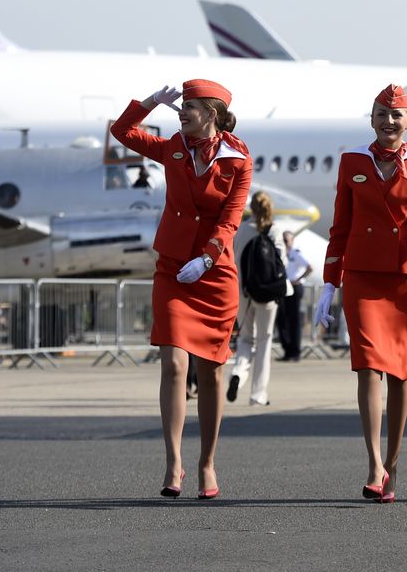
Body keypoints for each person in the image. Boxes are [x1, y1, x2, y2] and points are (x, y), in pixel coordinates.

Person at [110, 79, 251, 500]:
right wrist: (151, 101)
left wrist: (207, 257)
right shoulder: (171, 147)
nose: (181, 112)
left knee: (210, 373)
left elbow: (230, 219)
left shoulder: (238, 159)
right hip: (172, 269)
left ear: (211, 112)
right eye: (180, 105)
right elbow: (122, 132)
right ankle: (174, 461)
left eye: (189, 106)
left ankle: (207, 462)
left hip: (214, 273)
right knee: (173, 364)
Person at [313, 84, 407, 504]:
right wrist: (330, 281)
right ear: (371, 119)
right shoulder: (353, 162)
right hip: (363, 277)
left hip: (405, 281)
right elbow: (340, 226)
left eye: (396, 115)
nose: (389, 122)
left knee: (402, 372)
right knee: (368, 365)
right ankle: (373, 463)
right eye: (381, 114)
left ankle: (394, 463)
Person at [228, 192, 283, 406]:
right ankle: (258, 394)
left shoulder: (240, 230)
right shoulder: (274, 230)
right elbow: (281, 262)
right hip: (268, 294)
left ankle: (238, 374)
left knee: (245, 339)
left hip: (244, 292)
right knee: (264, 342)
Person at [278, 231, 313, 361]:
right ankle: (287, 350)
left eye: (287, 240)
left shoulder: (295, 253)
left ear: (292, 241)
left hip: (295, 287)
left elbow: (309, 267)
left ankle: (295, 351)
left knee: (294, 319)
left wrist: (298, 279)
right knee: (282, 318)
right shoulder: (282, 253)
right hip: (284, 287)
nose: (285, 243)